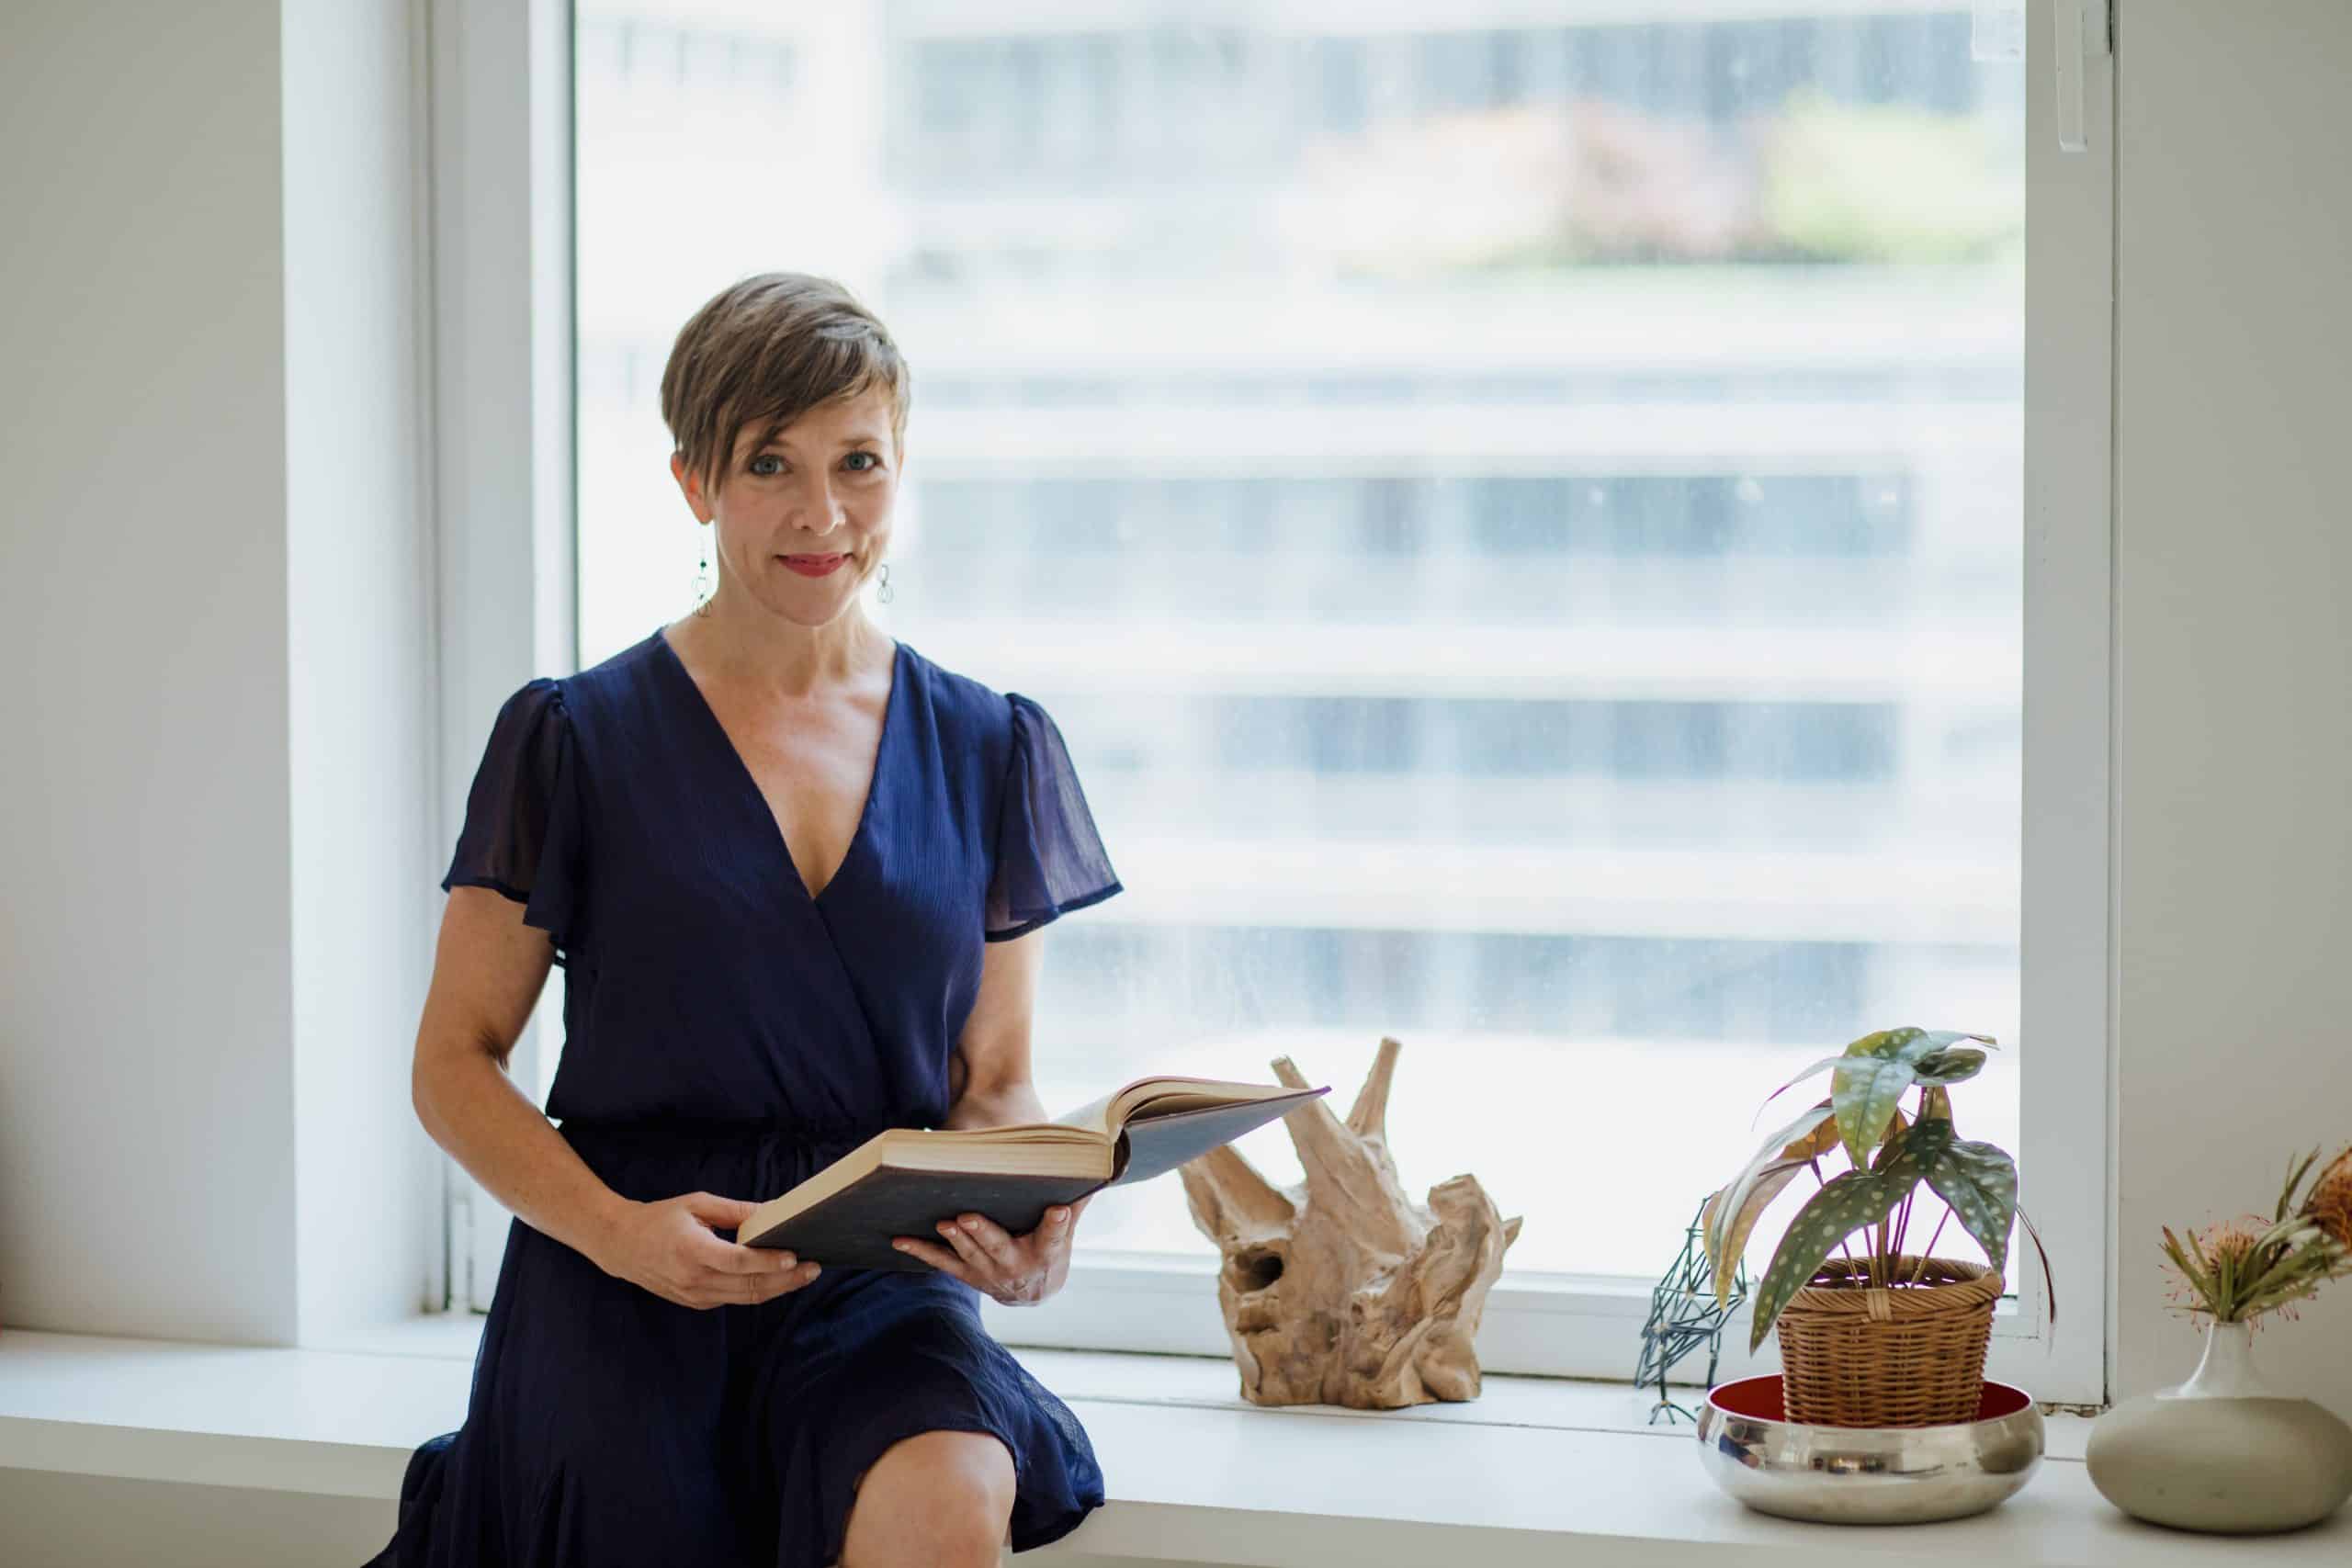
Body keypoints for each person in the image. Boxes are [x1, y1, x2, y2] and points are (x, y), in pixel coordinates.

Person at [366, 273, 1125, 1567]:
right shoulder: (570, 738)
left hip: (884, 1282)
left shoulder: (994, 743)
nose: (823, 512)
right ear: (694, 482)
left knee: (949, 1507)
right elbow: (452, 1066)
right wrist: (616, 1231)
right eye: (771, 463)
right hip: (622, 1274)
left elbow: (993, 1081)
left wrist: (1026, 1217)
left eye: (860, 462)